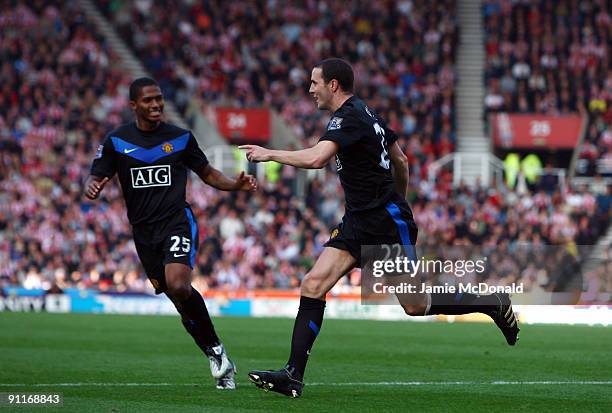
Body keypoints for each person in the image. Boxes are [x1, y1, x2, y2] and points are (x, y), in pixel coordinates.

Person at [240, 58, 519, 398]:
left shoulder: (348, 117)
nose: (309, 89)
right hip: (360, 220)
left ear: (333, 85)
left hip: (384, 222)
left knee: (414, 305)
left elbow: (316, 159)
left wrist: (270, 154)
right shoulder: (368, 115)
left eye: (314, 82)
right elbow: (400, 161)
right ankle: (292, 375)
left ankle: (490, 302)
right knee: (313, 283)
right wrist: (396, 198)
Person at [85, 77, 257, 390]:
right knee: (179, 303)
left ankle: (217, 353)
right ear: (134, 105)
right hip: (144, 233)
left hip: (177, 221)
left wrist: (234, 184)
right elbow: (98, 173)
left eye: (159, 99)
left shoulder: (180, 138)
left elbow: (207, 173)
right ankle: (216, 353)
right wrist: (93, 184)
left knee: (179, 284)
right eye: (148, 100)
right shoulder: (116, 140)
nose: (156, 105)